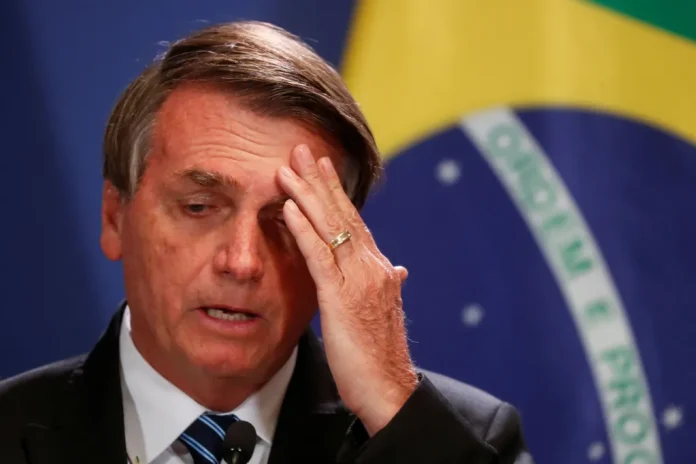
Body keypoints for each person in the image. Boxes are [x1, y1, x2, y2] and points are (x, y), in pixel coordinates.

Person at [0, 21, 533, 464]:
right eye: (199, 207)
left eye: (287, 220)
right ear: (115, 217)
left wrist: (395, 407)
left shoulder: (462, 443)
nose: (242, 262)